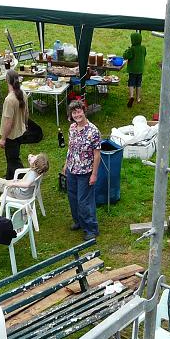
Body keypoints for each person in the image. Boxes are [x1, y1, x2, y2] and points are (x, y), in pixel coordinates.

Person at [63, 100, 101, 240]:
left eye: (79, 111)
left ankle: (91, 229)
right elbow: (70, 148)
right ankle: (79, 221)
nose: (77, 114)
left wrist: (94, 174)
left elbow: (97, 155)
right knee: (72, 198)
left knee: (84, 201)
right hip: (72, 170)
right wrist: (66, 164)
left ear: (84, 111)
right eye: (74, 112)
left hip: (86, 172)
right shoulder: (72, 128)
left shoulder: (93, 131)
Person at [0, 69, 28, 179]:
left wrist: (3, 138)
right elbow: (26, 112)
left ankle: (24, 180)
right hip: (21, 131)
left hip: (11, 135)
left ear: (7, 80)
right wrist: (25, 124)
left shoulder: (9, 100)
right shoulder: (23, 93)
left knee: (13, 161)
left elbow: (8, 123)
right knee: (11, 158)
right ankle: (9, 179)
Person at [123, 31, 147, 108]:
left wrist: (127, 50)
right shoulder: (143, 48)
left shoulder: (132, 49)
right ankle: (138, 98)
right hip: (140, 69)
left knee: (131, 82)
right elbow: (145, 54)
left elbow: (125, 56)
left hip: (132, 70)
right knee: (138, 83)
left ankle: (131, 96)